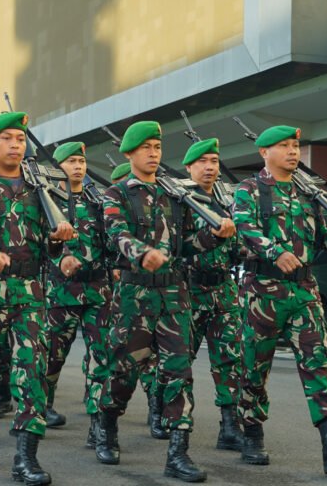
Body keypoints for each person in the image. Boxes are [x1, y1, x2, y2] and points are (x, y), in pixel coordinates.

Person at [94, 121, 234, 483]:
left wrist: (215, 235)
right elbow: (116, 235)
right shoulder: (116, 195)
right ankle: (106, 423)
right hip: (134, 295)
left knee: (178, 372)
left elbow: (187, 244)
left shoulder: (174, 195)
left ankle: (178, 453)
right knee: (124, 370)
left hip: (174, 295)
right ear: (129, 154)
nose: (153, 153)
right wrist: (142, 253)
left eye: (157, 147)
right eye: (146, 148)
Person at [232, 125, 327, 475]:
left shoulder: (307, 193)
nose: (293, 151)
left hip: (304, 290)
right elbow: (244, 227)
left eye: (295, 145)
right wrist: (275, 251)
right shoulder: (249, 190)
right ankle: (251, 432)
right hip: (262, 290)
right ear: (264, 152)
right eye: (284, 146)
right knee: (254, 366)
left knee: (317, 362)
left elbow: (323, 237)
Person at [0, 111, 75, 486]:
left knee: (31, 371)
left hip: (30, 294)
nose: (15, 145)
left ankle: (26, 458)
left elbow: (50, 246)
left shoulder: (41, 188)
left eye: (20, 140)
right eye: (6, 138)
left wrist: (60, 244)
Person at [42, 142, 113, 438]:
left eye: (81, 162)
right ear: (58, 167)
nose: (78, 167)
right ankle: (42, 405)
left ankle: (98, 419)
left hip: (97, 289)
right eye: (71, 161)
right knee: (53, 354)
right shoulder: (47, 199)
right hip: (61, 290)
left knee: (102, 355)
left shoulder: (97, 199)